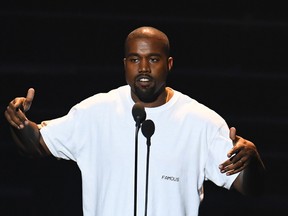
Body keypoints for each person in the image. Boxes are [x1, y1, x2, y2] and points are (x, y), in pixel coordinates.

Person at [4, 26, 265, 216]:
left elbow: (248, 186)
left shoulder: (201, 122)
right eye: (134, 59)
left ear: (169, 64)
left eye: (153, 59)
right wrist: (20, 123)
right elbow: (36, 143)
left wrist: (252, 161)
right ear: (125, 64)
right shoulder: (96, 112)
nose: (143, 68)